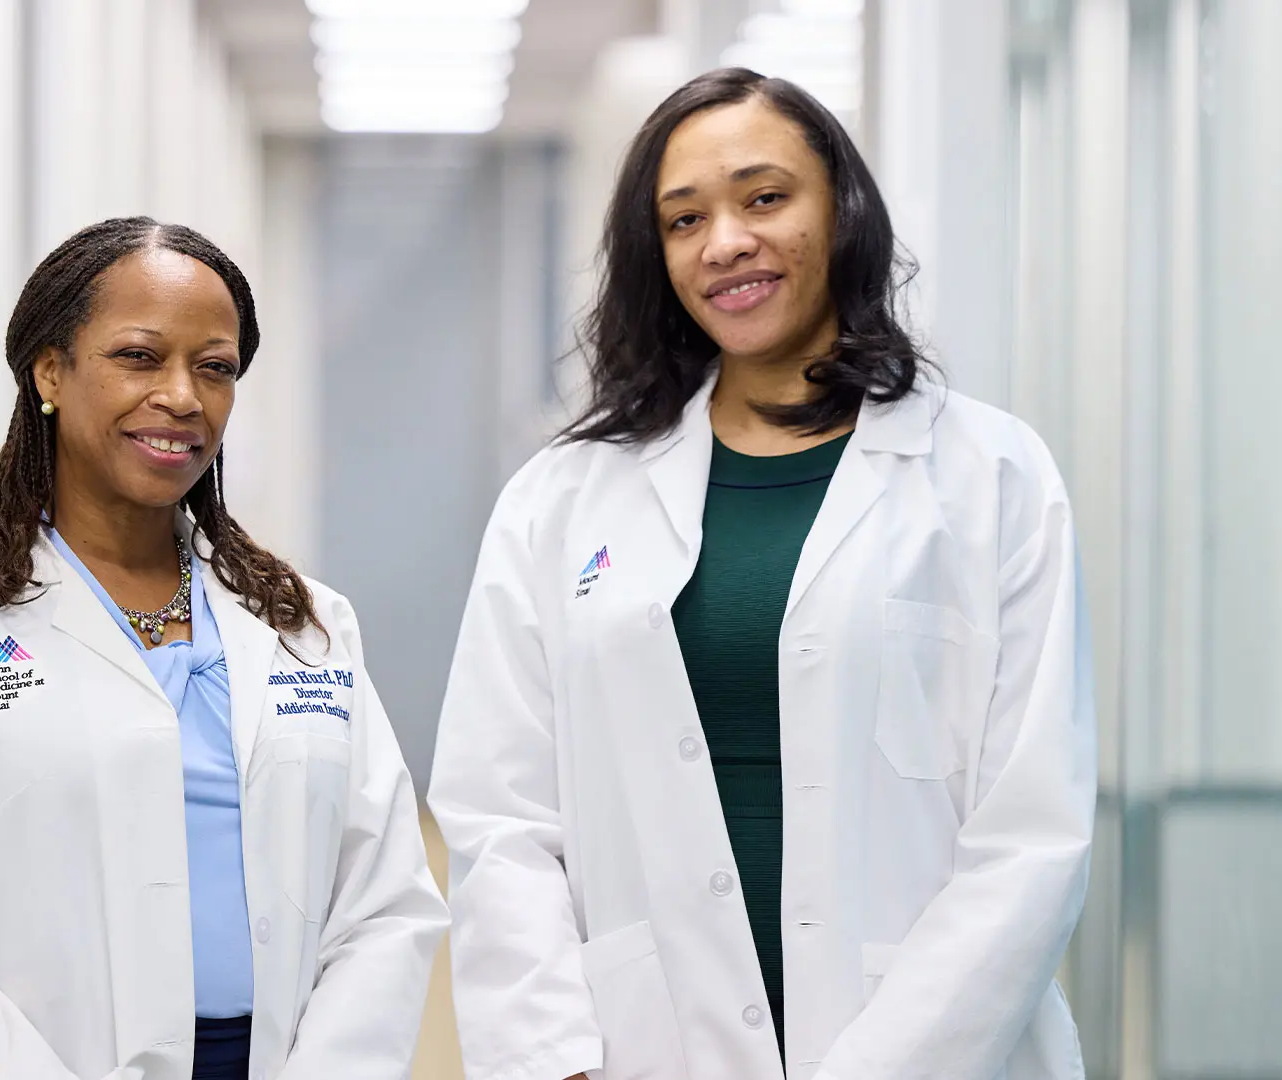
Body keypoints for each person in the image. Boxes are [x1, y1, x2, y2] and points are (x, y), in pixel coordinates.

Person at [428, 70, 1096, 1080]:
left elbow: (1031, 833)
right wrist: (549, 1058)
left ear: (842, 210)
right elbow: (503, 817)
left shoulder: (989, 476)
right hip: (641, 1049)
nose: (725, 242)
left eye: (765, 197)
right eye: (685, 218)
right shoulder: (562, 500)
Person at [0, 217, 448, 1080]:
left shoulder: (304, 625)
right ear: (50, 371)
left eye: (215, 367)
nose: (183, 396)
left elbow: (385, 903)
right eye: (139, 357)